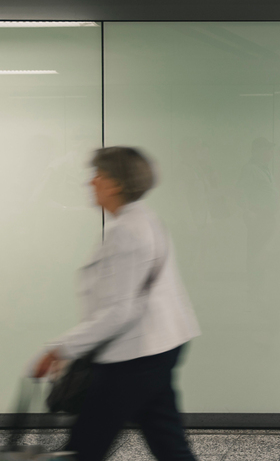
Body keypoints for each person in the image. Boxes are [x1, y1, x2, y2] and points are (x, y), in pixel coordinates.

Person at [32, 147, 201, 461]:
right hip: (160, 345)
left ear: (115, 184)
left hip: (132, 356)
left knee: (85, 447)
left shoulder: (126, 232)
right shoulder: (146, 219)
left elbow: (120, 310)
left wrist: (60, 348)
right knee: (168, 442)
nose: (91, 182)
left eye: (98, 175)